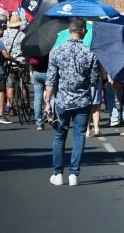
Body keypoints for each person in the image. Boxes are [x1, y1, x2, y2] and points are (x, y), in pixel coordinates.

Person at [44, 19, 102, 186]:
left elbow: (51, 79)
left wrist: (47, 100)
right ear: (82, 30)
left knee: (59, 137)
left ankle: (57, 173)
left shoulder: (57, 51)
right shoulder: (89, 53)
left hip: (62, 100)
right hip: (83, 101)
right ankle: (74, 174)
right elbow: (94, 80)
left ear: (70, 31)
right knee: (79, 137)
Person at [2, 15, 27, 117]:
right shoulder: (22, 35)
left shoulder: (4, 34)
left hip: (9, 62)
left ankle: (10, 106)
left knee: (10, 85)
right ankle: (25, 104)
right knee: (23, 85)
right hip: (21, 62)